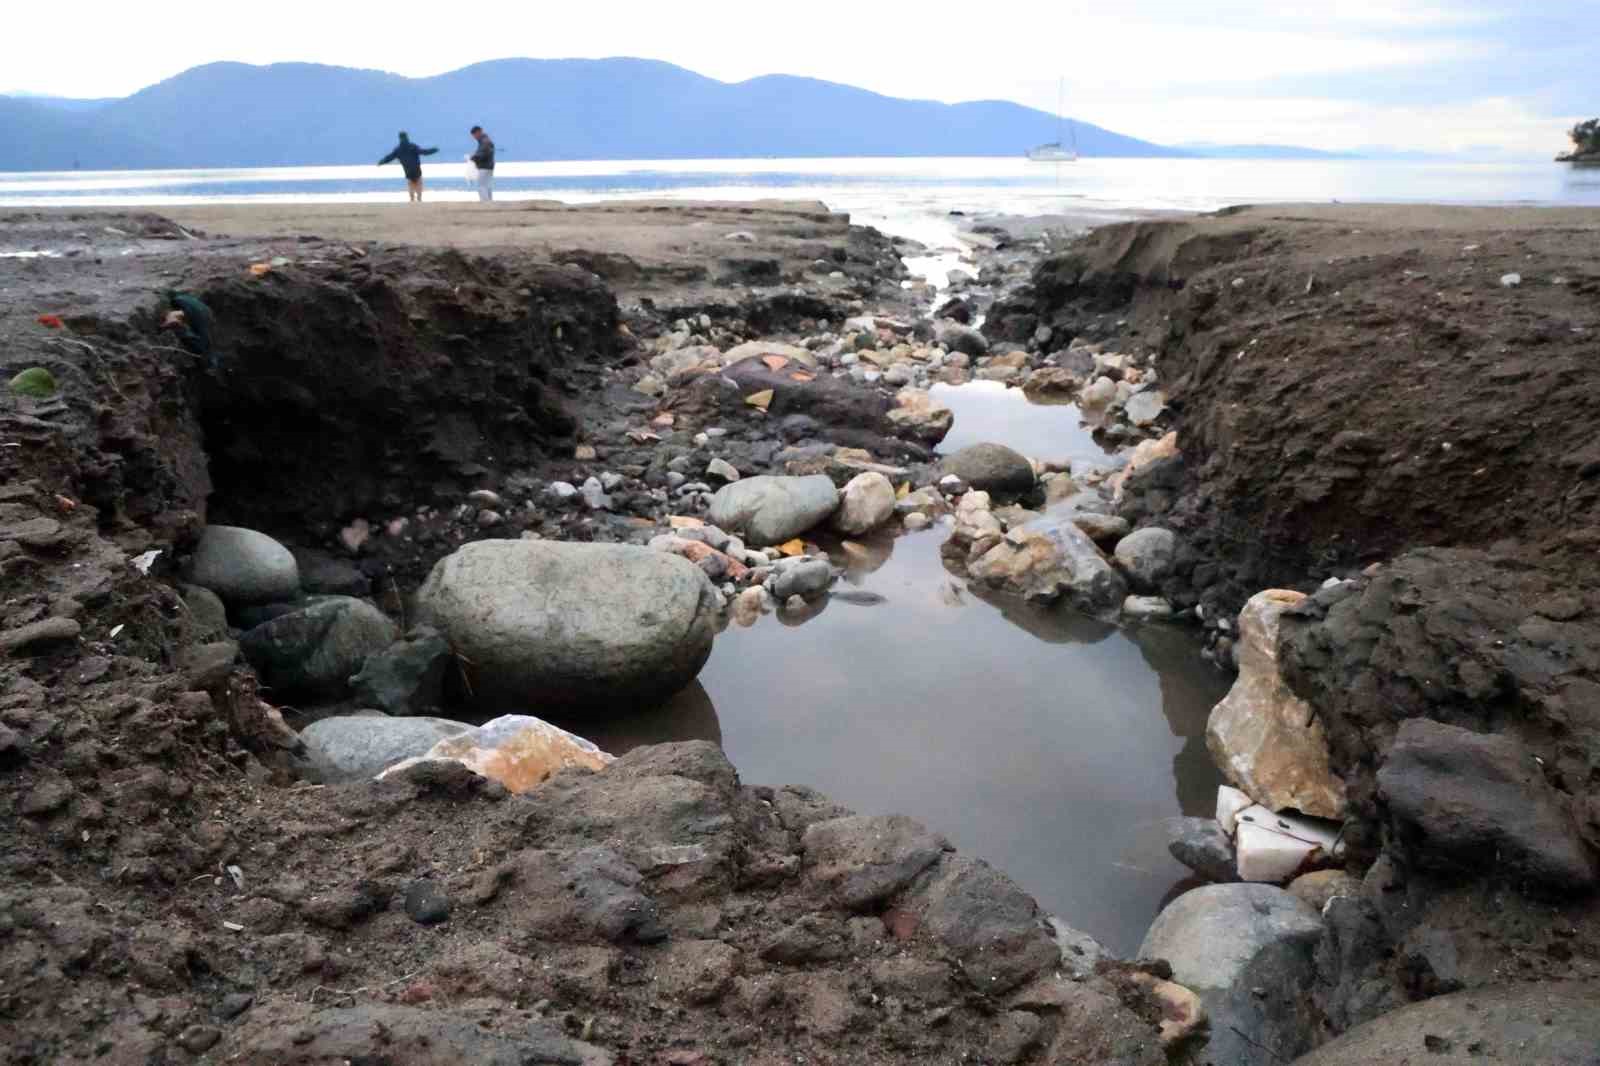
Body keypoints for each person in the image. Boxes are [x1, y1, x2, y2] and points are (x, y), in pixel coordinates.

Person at [161, 291, 219, 370]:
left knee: (201, 340)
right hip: (202, 312)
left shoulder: (177, 301)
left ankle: (210, 363)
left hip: (197, 311)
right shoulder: (187, 298)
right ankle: (211, 362)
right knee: (203, 341)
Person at [377, 131, 439, 203]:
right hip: (416, 169)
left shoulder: (397, 149)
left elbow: (389, 158)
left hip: (407, 170)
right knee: (418, 182)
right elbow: (424, 152)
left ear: (399, 138)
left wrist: (381, 162)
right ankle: (419, 199)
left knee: (411, 183)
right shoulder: (413, 146)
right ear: (407, 137)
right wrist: (434, 150)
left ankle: (412, 199)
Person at [469, 125, 495, 202]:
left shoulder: (485, 141)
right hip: (488, 166)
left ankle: (485, 202)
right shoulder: (485, 141)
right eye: (473, 135)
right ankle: (489, 202)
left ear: (479, 132)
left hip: (484, 166)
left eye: (474, 135)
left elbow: (483, 154)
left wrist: (474, 157)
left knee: (481, 185)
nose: (474, 137)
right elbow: (483, 153)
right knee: (487, 185)